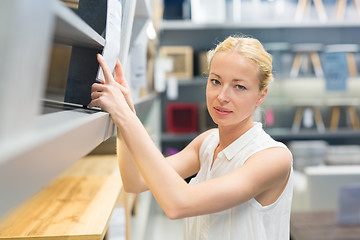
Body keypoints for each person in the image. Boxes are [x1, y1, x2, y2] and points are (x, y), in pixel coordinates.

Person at [88, 35, 293, 240]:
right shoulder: (207, 143)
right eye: (215, 81)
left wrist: (124, 116)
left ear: (261, 95)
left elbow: (178, 204)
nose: (222, 96)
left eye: (239, 86)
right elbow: (135, 182)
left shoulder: (273, 158)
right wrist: (126, 114)